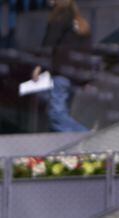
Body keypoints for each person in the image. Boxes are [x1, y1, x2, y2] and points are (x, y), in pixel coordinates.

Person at [32, 0, 90, 133]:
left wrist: (38, 66)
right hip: (75, 76)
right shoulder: (79, 22)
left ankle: (86, 136)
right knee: (61, 113)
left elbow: (49, 43)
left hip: (61, 73)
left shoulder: (59, 18)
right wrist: (85, 79)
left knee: (56, 114)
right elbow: (86, 51)